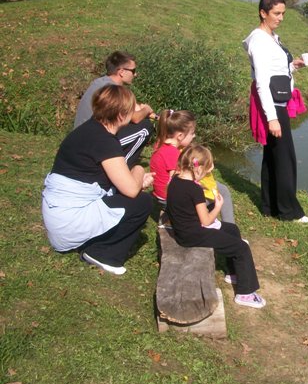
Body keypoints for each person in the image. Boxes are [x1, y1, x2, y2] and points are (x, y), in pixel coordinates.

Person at [42, 85, 154, 275]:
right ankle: (102, 254)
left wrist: (135, 181)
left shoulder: (88, 129)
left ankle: (91, 241)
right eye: (132, 109)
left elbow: (109, 180)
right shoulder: (105, 141)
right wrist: (138, 170)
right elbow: (131, 190)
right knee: (142, 202)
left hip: (59, 217)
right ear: (121, 115)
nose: (136, 112)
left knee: (127, 194)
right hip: (68, 223)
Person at [165, 144, 265, 309]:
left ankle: (233, 272)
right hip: (194, 235)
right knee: (242, 248)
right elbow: (206, 221)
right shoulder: (194, 189)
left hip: (184, 230)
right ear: (198, 169)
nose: (208, 173)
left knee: (232, 229)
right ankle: (245, 293)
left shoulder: (175, 180)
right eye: (207, 171)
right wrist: (218, 206)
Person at [243, 0, 308, 223]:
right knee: (284, 157)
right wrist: (272, 118)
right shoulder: (259, 41)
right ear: (263, 13)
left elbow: (274, 69)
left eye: (283, 13)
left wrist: (293, 66)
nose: (281, 18)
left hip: (276, 101)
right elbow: (262, 81)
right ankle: (288, 211)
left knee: (273, 155)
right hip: (272, 105)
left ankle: (270, 205)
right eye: (276, 13)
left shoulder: (270, 37)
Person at [149, 109, 236, 223]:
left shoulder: (161, 144)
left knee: (214, 187)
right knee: (222, 191)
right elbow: (178, 183)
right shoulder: (173, 153)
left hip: (160, 196)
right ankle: (229, 226)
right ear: (180, 136)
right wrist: (204, 171)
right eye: (192, 133)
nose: (194, 136)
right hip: (170, 200)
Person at [74, 51, 155, 168]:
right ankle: (121, 168)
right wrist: (146, 109)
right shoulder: (112, 89)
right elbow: (135, 118)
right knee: (145, 126)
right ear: (121, 72)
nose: (135, 74)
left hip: (81, 137)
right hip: (91, 143)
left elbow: (128, 109)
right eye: (133, 71)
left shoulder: (101, 83)